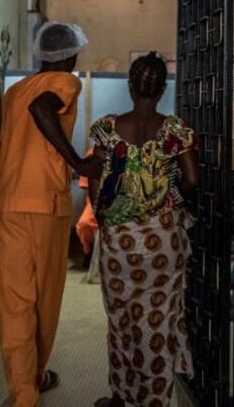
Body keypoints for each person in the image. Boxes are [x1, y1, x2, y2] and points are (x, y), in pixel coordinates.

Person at [0, 21, 106, 407]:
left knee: (14, 300)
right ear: (69, 55)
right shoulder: (66, 82)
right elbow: (42, 109)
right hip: (46, 205)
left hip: (8, 204)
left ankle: (24, 391)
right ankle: (35, 375)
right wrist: (77, 161)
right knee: (45, 298)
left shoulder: (12, 91)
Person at [87, 52, 199, 407]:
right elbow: (193, 180)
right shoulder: (175, 130)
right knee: (159, 318)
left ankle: (122, 396)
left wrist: (103, 216)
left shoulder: (106, 128)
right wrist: (172, 197)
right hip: (163, 239)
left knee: (122, 319)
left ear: (130, 86)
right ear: (163, 89)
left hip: (119, 241)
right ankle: (154, 400)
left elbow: (94, 179)